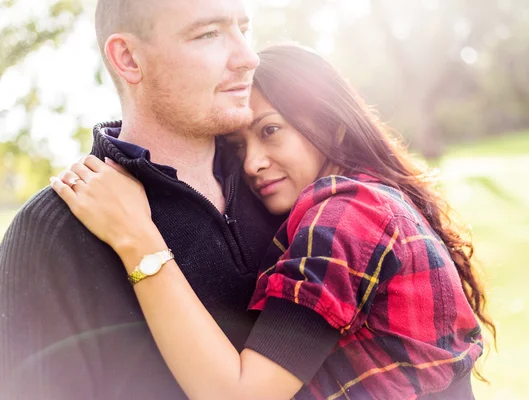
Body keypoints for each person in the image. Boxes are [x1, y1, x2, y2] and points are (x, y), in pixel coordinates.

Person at [50, 44, 496, 400]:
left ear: (332, 125)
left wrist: (136, 238)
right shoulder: (378, 199)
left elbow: (240, 395)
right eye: (239, 147)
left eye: (270, 131)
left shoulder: (347, 215)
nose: (253, 164)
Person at [0, 0, 284, 398]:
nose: (247, 57)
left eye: (243, 28)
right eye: (209, 34)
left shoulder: (286, 188)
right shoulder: (52, 230)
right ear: (129, 58)